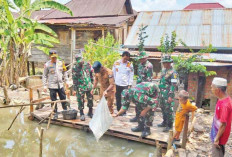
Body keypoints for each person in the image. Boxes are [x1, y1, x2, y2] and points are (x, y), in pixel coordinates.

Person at [43, 50, 68, 119]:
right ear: (50, 57)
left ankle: (65, 110)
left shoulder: (61, 63)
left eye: (55, 57)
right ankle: (55, 112)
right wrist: (44, 86)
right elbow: (44, 76)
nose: (54, 59)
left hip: (60, 84)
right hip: (52, 85)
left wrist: (67, 81)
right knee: (53, 100)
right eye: (52, 57)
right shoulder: (47, 65)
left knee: (63, 98)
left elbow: (65, 72)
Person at [210, 77, 232, 157]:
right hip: (217, 133)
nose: (211, 89)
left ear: (218, 90)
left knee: (217, 153)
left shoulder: (225, 105)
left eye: (212, 87)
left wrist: (216, 139)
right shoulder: (222, 99)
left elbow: (223, 124)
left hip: (219, 137)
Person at [130, 51, 153, 122]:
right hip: (138, 87)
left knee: (143, 104)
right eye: (140, 59)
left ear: (145, 58)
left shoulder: (149, 66)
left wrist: (146, 90)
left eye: (142, 58)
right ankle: (137, 116)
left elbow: (149, 79)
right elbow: (139, 76)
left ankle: (143, 118)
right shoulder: (140, 65)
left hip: (144, 88)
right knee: (137, 103)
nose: (140, 60)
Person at [158, 55, 178, 132]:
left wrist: (170, 96)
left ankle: (169, 125)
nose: (163, 64)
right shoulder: (164, 70)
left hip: (168, 94)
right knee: (163, 108)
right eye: (163, 62)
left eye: (165, 63)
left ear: (169, 63)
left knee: (169, 109)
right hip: (162, 93)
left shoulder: (173, 72)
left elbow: (173, 85)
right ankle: (164, 122)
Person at [72, 54, 93, 121]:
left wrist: (92, 83)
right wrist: (75, 89)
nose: (81, 62)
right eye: (79, 62)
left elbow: (91, 74)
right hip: (80, 86)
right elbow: (74, 78)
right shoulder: (75, 68)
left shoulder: (87, 65)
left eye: (81, 61)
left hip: (88, 85)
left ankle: (90, 112)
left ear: (83, 59)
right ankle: (81, 113)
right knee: (80, 100)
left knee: (90, 99)